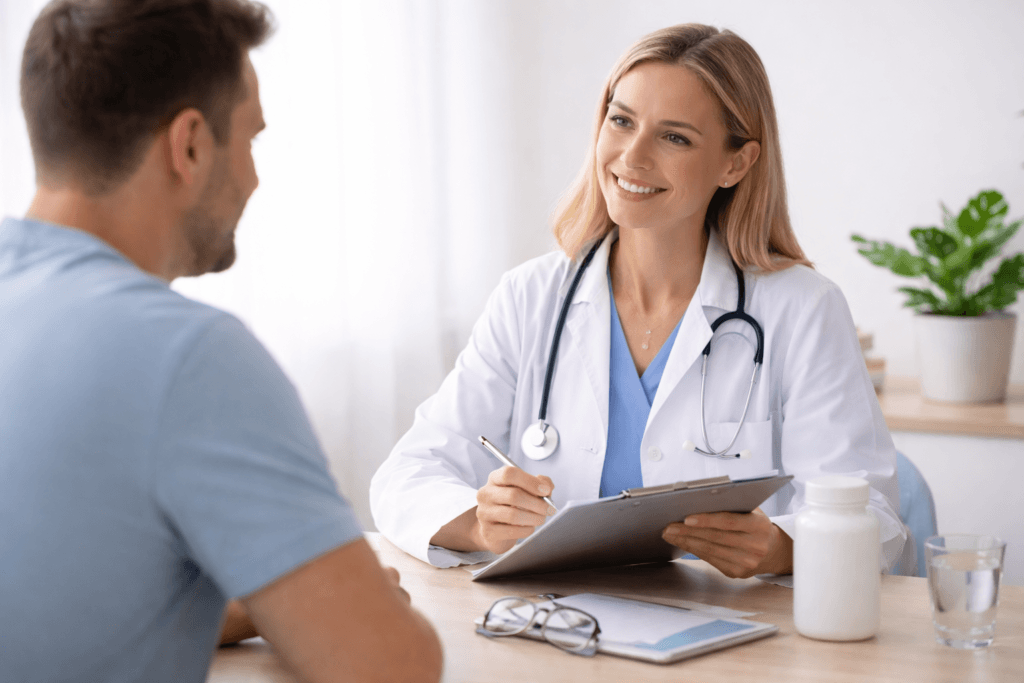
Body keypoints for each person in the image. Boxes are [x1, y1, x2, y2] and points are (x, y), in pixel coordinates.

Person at [0, 1, 442, 682]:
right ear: (191, 145)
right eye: (252, 140)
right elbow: (392, 665)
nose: (255, 177)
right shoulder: (187, 356)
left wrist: (246, 603)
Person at [370, 23, 911, 578]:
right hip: (561, 629)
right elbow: (406, 476)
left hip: (733, 639)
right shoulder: (531, 298)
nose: (632, 156)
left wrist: (779, 547)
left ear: (736, 163)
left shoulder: (802, 309)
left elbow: (873, 516)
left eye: (674, 137)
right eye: (621, 120)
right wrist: (480, 524)